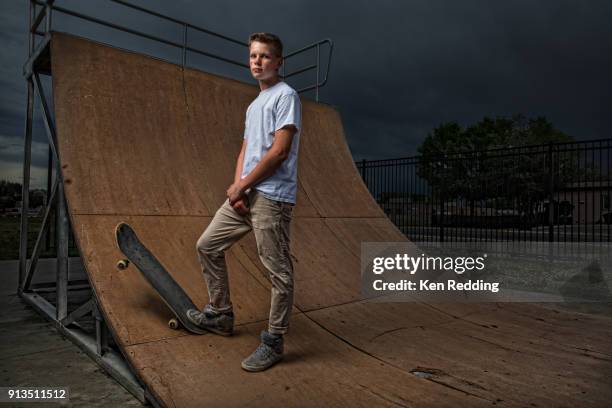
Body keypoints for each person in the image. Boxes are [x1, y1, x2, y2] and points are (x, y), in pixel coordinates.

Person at [187, 32, 301, 372]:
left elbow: (279, 151)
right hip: (248, 192)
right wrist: (237, 188)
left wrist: (245, 187)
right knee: (207, 245)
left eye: (265, 56)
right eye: (253, 56)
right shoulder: (253, 106)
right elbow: (245, 150)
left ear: (278, 62)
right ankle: (221, 314)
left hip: (272, 196)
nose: (258, 61)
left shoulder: (286, 96)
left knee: (277, 270)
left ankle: (274, 341)